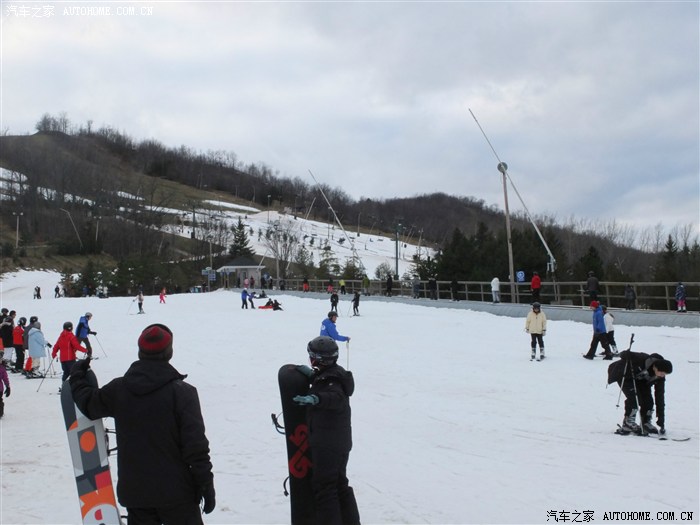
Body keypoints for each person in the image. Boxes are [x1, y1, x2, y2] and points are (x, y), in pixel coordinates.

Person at [69, 324, 215, 522]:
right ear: (169, 352)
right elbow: (196, 447)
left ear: (140, 352)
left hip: (136, 494)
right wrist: (205, 484)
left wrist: (77, 376)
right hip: (178, 493)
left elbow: (88, 403)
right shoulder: (182, 393)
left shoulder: (119, 390)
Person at [293, 336, 361, 525]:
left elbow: (335, 397)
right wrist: (311, 376)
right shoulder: (334, 374)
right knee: (339, 485)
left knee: (325, 489)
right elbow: (326, 381)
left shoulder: (333, 382)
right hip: (338, 442)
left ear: (316, 359)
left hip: (328, 444)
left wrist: (317, 399)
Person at [607, 350, 673, 435]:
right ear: (655, 367)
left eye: (665, 374)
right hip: (625, 375)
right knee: (634, 398)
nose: (662, 375)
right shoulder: (642, 359)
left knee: (648, 401)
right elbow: (622, 354)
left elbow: (660, 397)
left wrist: (661, 421)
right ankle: (628, 422)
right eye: (661, 372)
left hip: (641, 380)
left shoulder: (660, 377)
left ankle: (645, 422)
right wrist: (626, 354)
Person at [0, 351, 10, 418]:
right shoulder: (2, 368)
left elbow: (5, 378)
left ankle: (0, 412)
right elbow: (5, 378)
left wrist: (7, 386)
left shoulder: (2, 368)